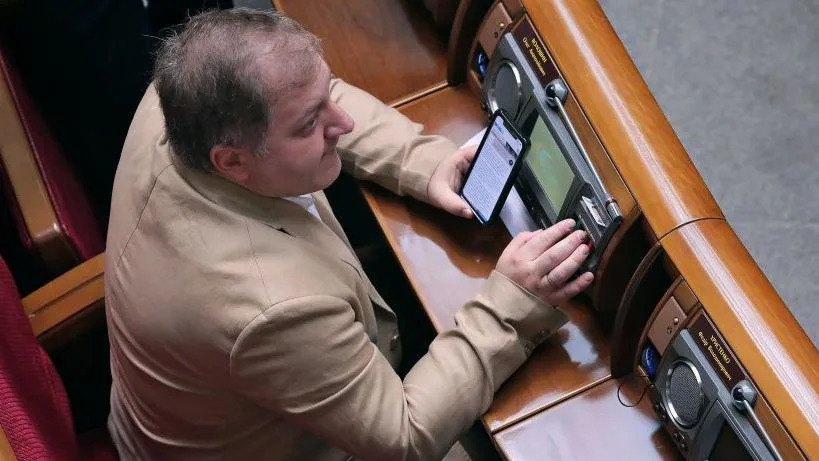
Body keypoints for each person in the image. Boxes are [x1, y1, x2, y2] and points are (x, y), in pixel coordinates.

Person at [105, 8, 594, 460]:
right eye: (311, 125)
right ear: (232, 162)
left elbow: (313, 94)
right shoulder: (269, 311)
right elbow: (405, 435)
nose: (344, 123)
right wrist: (513, 303)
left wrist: (423, 163)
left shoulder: (180, 99)